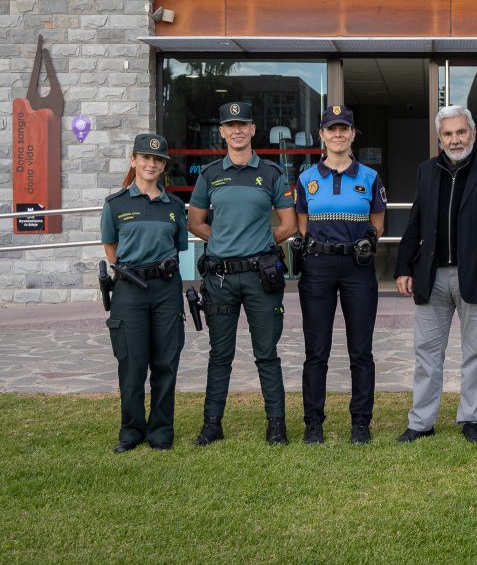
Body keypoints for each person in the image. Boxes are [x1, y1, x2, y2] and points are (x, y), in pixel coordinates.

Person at [394, 105, 477, 443]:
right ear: (439, 139)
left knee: (476, 353)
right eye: (447, 134)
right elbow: (415, 221)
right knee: (426, 353)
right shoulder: (426, 170)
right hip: (431, 275)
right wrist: (404, 265)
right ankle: (421, 422)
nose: (455, 139)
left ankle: (471, 419)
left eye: (460, 132)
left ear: (473, 133)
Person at [187, 101, 297, 446]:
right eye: (230, 125)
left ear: (252, 130)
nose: (237, 130)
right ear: (221, 132)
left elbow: (289, 225)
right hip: (219, 278)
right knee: (220, 354)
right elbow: (195, 221)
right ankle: (212, 424)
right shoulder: (209, 175)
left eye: (243, 124)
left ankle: (276, 424)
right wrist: (223, 242)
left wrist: (259, 243)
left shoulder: (272, 174)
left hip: (260, 276)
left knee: (267, 351)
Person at [295, 105, 386, 445]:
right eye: (331, 129)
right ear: (322, 135)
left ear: (352, 134)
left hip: (357, 270)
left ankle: (361, 423)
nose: (337, 134)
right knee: (316, 351)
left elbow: (377, 222)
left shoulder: (369, 178)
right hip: (318, 268)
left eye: (343, 128)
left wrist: (364, 243)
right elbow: (304, 228)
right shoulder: (306, 179)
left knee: (360, 351)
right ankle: (313, 424)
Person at [101, 133, 188, 452]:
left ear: (164, 165)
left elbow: (177, 247)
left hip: (166, 289)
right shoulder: (116, 204)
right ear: (133, 160)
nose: (151, 163)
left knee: (166, 361)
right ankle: (131, 431)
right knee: (132, 363)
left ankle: (161, 431)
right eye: (145, 157)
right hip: (129, 290)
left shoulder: (174, 206)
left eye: (158, 159)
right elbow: (111, 247)